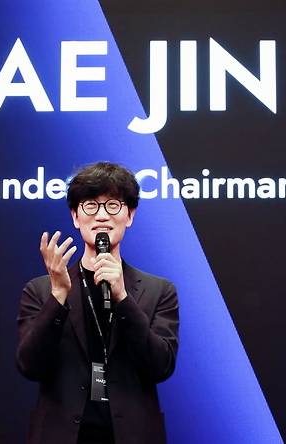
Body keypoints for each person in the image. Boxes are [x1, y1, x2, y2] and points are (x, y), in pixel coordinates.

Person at [16, 162, 179, 444]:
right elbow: (29, 366)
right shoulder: (41, 290)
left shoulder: (159, 291)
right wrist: (58, 296)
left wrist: (123, 298)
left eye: (113, 205)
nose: (102, 215)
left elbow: (161, 366)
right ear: (75, 216)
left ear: (130, 215)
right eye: (90, 205)